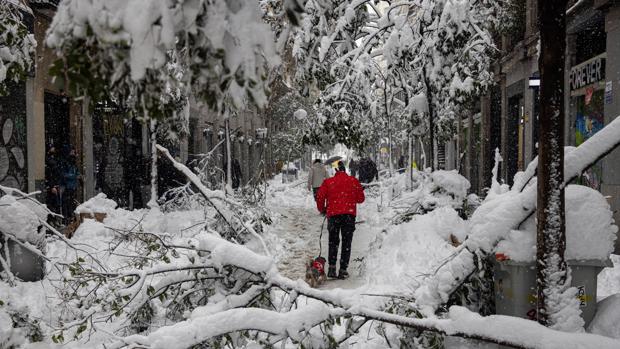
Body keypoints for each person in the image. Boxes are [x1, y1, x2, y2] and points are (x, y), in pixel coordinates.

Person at [316, 161, 365, 279]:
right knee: (346, 242)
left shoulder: (328, 182)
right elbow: (361, 199)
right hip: (348, 215)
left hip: (333, 215)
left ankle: (332, 268)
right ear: (346, 171)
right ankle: (343, 269)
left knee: (333, 241)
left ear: (336, 172)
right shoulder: (353, 181)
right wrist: (349, 197)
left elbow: (320, 197)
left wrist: (323, 209)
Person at [61, 149, 80, 223]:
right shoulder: (66, 164)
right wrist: (74, 176)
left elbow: (76, 172)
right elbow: (64, 174)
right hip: (67, 186)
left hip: (72, 186)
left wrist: (78, 176)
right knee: (67, 203)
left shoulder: (73, 164)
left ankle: (70, 217)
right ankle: (67, 218)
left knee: (71, 202)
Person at [45, 146, 62, 217]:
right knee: (52, 204)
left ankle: (55, 219)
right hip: (52, 185)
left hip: (55, 184)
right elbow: (49, 174)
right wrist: (52, 186)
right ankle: (52, 219)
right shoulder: (49, 161)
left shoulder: (53, 159)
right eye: (52, 148)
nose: (54, 150)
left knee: (56, 204)